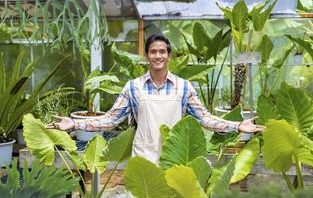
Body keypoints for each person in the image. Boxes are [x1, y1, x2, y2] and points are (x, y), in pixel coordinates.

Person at [47, 34, 265, 164]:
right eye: (153, 51)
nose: (158, 55)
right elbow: (110, 120)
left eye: (162, 51)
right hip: (142, 157)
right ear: (147, 56)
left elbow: (205, 118)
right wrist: (74, 123)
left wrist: (237, 125)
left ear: (169, 56)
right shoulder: (133, 87)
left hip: (176, 158)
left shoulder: (184, 86)